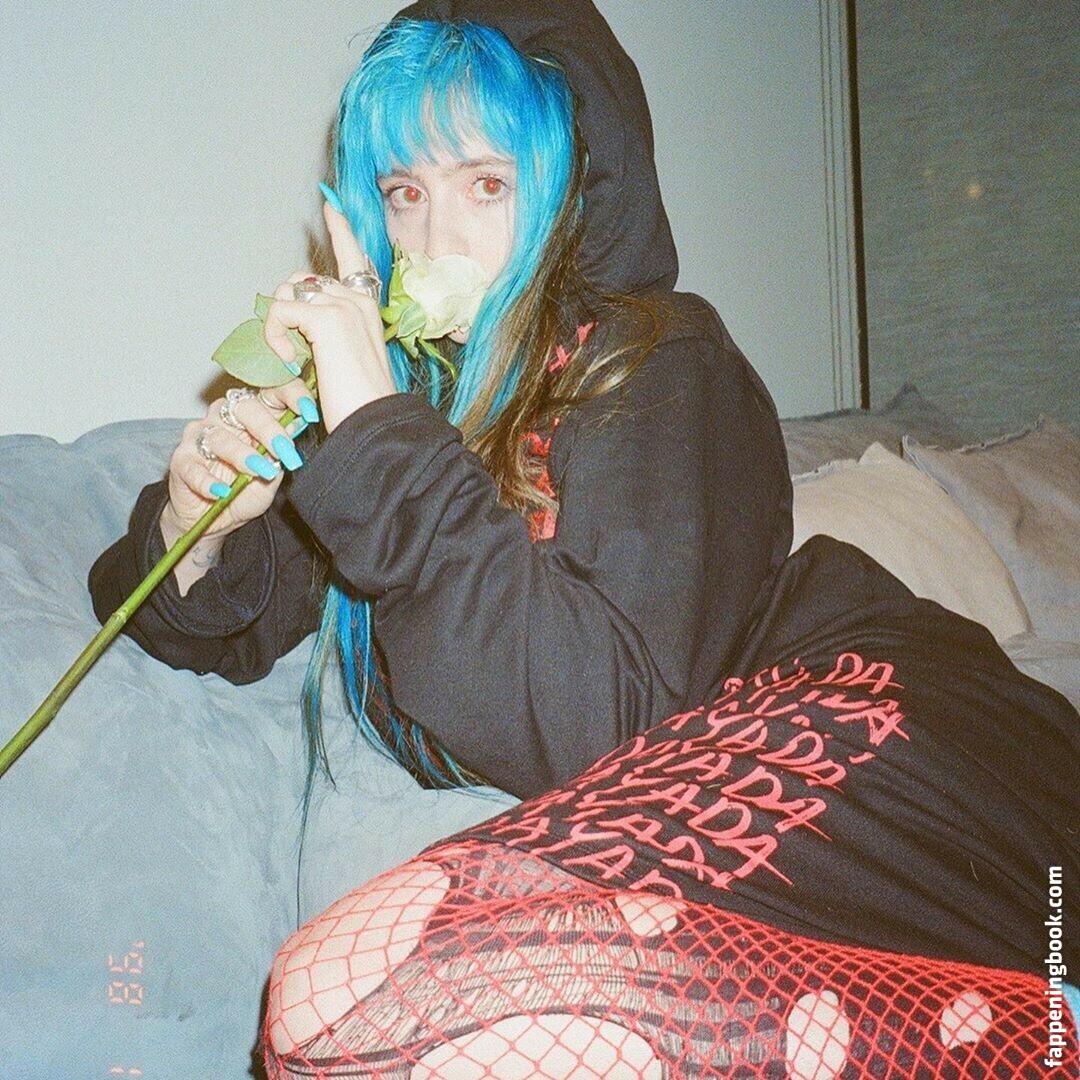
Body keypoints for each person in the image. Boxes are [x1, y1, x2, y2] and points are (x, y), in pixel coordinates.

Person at [89, 2, 1077, 1077]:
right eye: (404, 193)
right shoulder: (392, 403)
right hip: (702, 826)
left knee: (352, 987)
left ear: (571, 190)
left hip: (866, 723)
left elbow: (609, 728)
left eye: (486, 185)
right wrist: (197, 523)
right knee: (353, 993)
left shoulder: (665, 359)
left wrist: (376, 430)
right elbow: (214, 627)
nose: (433, 241)